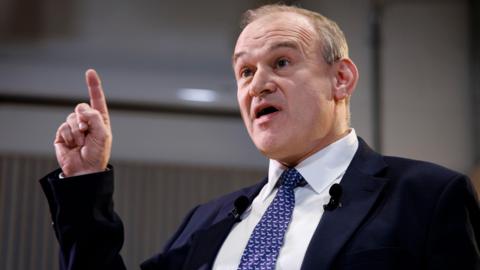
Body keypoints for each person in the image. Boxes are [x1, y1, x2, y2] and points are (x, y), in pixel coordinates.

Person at [39, 4, 480, 270]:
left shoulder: (427, 197)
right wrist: (83, 182)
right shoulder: (203, 223)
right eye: (245, 71)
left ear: (341, 79)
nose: (258, 84)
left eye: (282, 62)